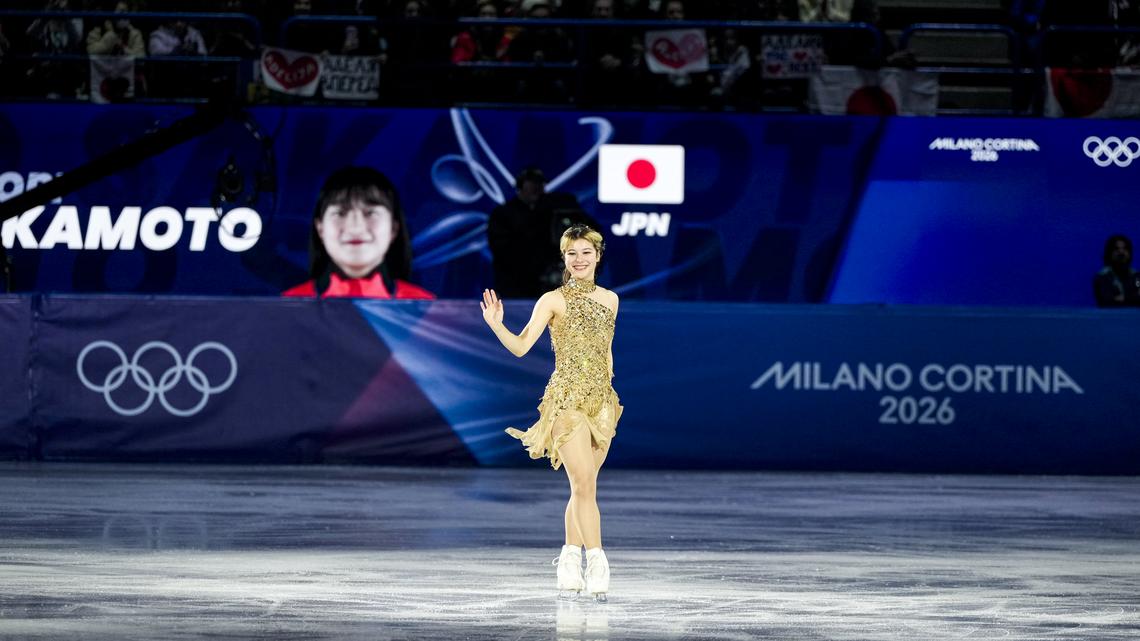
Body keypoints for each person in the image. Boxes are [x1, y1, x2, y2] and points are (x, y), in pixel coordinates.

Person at [480, 224, 622, 601]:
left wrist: (607, 384)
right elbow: (522, 346)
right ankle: (597, 561)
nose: (579, 260)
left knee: (583, 488)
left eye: (586, 253)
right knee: (583, 484)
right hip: (566, 401)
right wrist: (497, 326)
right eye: (572, 253)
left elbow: (605, 350)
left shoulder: (610, 300)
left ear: (597, 256)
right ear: (564, 258)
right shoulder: (552, 300)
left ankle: (568, 560)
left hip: (601, 403)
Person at [283, 166, 434, 299]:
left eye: (370, 213)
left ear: (393, 229)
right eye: (340, 213)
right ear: (320, 228)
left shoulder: (426, 310)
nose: (355, 228)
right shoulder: (287, 308)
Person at [487, 167, 599, 298]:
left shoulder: (556, 207)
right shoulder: (503, 213)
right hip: (515, 281)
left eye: (539, 183)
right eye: (531, 183)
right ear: (520, 186)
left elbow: (586, 228)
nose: (536, 187)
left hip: (549, 281)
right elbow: (501, 248)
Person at [1094, 234, 1140, 307]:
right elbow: (1107, 301)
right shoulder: (1103, 278)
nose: (1121, 252)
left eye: (1125, 249)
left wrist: (1123, 298)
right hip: (1112, 317)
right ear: (1109, 253)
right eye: (1116, 249)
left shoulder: (1137, 277)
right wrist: (1132, 297)